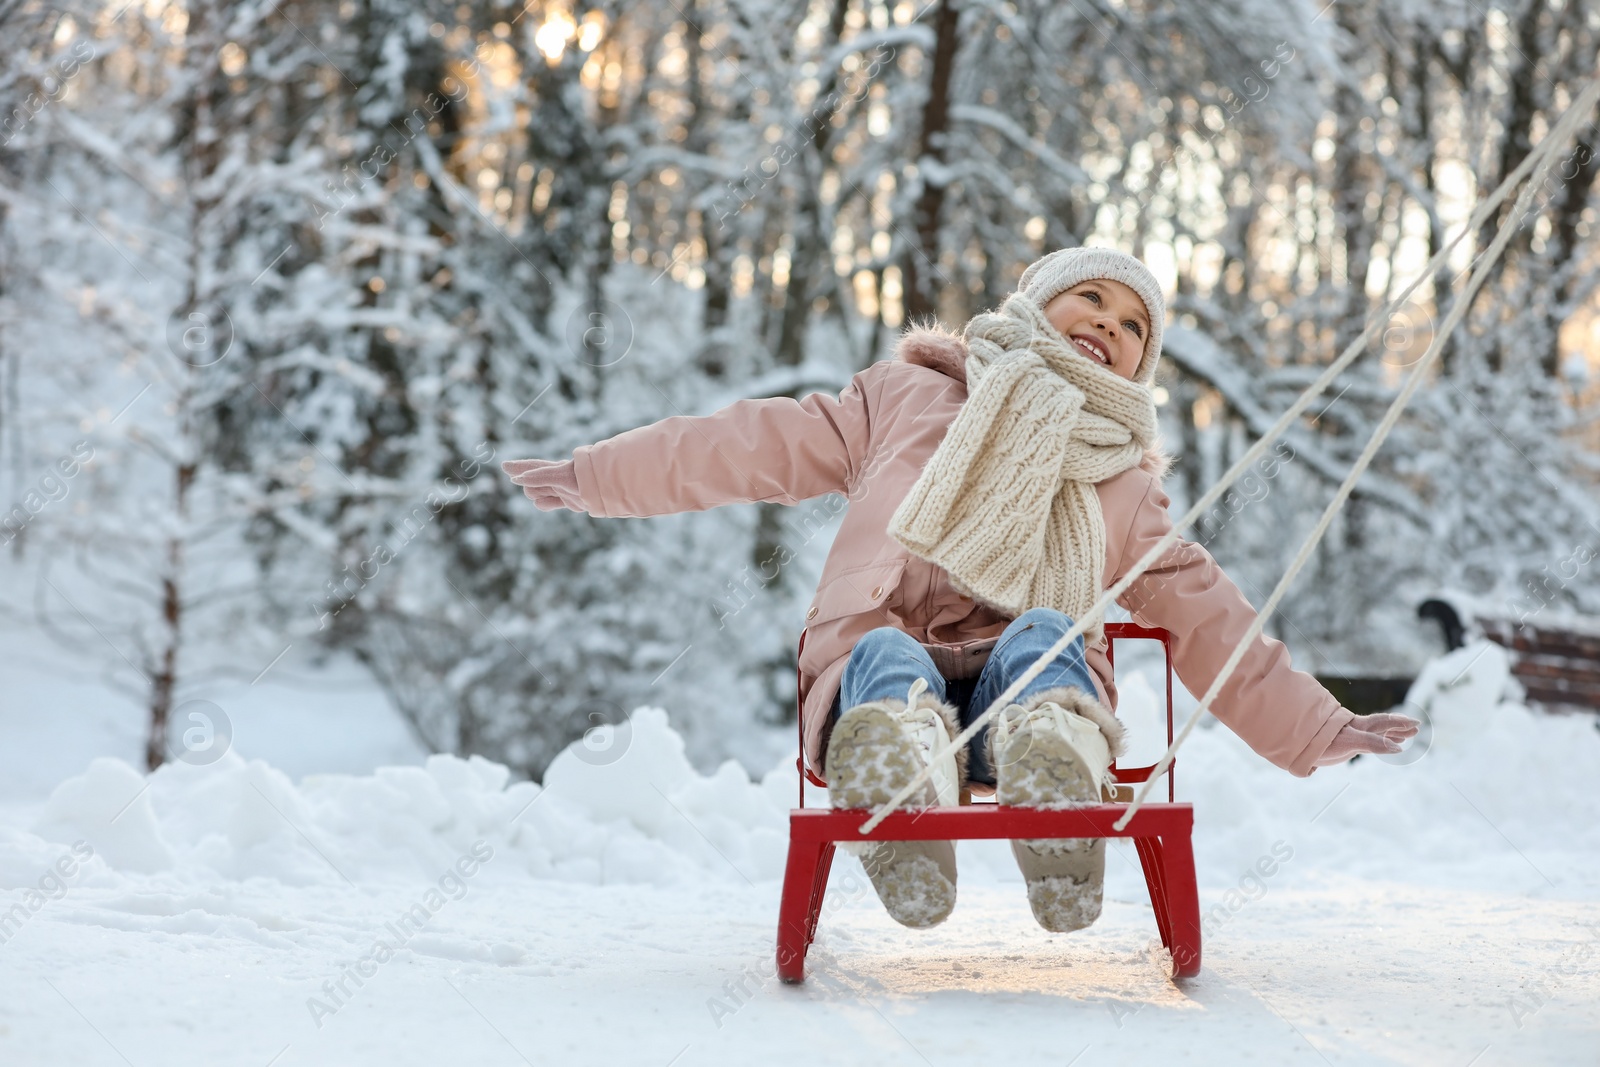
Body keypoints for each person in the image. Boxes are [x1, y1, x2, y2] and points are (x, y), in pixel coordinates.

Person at [502, 246, 1419, 934]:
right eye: (1090, 297)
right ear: (1033, 302)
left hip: (1021, 685)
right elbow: (751, 442)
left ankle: (1054, 765)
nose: (1109, 323)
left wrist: (1316, 727)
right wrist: (598, 475)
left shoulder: (1124, 485)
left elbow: (1208, 610)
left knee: (1048, 636)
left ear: (1141, 367)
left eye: (1135, 326)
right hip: (879, 661)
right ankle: (898, 775)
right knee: (885, 654)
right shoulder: (904, 400)